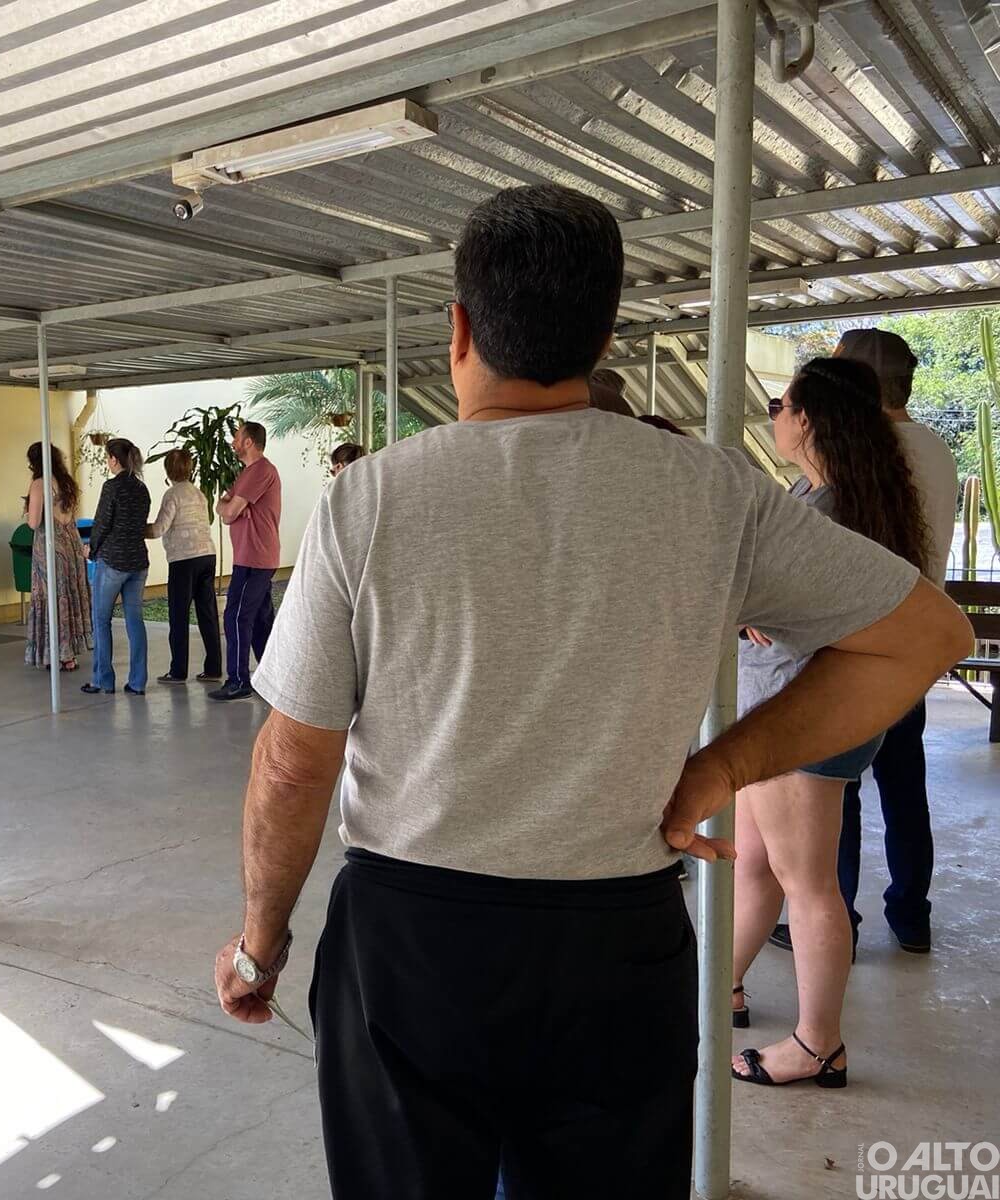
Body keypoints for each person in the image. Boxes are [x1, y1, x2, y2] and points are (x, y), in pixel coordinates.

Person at [208, 184, 971, 1197]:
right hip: (619, 938)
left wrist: (261, 946)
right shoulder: (708, 490)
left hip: (415, 937)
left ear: (458, 329)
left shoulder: (370, 498)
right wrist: (719, 769)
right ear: (603, 331)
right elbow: (925, 638)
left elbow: (294, 759)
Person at [729, 358, 932, 1091]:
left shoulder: (832, 507)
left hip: (803, 715)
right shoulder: (826, 493)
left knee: (808, 883)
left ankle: (819, 1044)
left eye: (782, 403)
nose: (774, 414)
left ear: (808, 418)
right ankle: (724, 986)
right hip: (783, 710)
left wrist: (757, 610)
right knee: (754, 864)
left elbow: (823, 612)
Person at [768, 329, 959, 957]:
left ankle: (832, 918)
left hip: (855, 647)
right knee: (905, 788)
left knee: (834, 797)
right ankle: (912, 915)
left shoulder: (860, 456)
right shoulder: (933, 446)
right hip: (914, 640)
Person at [209, 420, 281, 702]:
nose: (233, 441)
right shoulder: (247, 473)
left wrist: (232, 508)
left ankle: (239, 680)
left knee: (236, 616)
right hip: (251, 556)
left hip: (255, 557)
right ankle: (270, 675)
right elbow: (222, 506)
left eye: (237, 437)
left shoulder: (260, 470)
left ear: (249, 441)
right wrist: (231, 507)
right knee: (262, 619)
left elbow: (227, 513)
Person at [145, 448, 222, 684]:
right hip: (207, 555)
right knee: (207, 613)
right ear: (190, 468)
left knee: (179, 615)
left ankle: (178, 671)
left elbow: (159, 529)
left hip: (183, 560)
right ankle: (213, 668)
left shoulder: (172, 495)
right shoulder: (199, 494)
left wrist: (135, 529)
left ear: (168, 470)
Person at [84, 438, 151, 696]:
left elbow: (102, 523)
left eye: (107, 458)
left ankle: (103, 680)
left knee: (101, 619)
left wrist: (92, 548)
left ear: (114, 459)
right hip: (138, 562)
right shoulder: (141, 489)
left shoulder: (112, 487)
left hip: (112, 561)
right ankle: (137, 682)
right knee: (135, 621)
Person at [23, 442, 92, 673]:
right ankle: (69, 654)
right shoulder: (66, 483)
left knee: (50, 598)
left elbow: (33, 523)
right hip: (70, 544)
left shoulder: (39, 484)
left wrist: (26, 512)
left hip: (49, 546)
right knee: (67, 596)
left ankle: (53, 653)